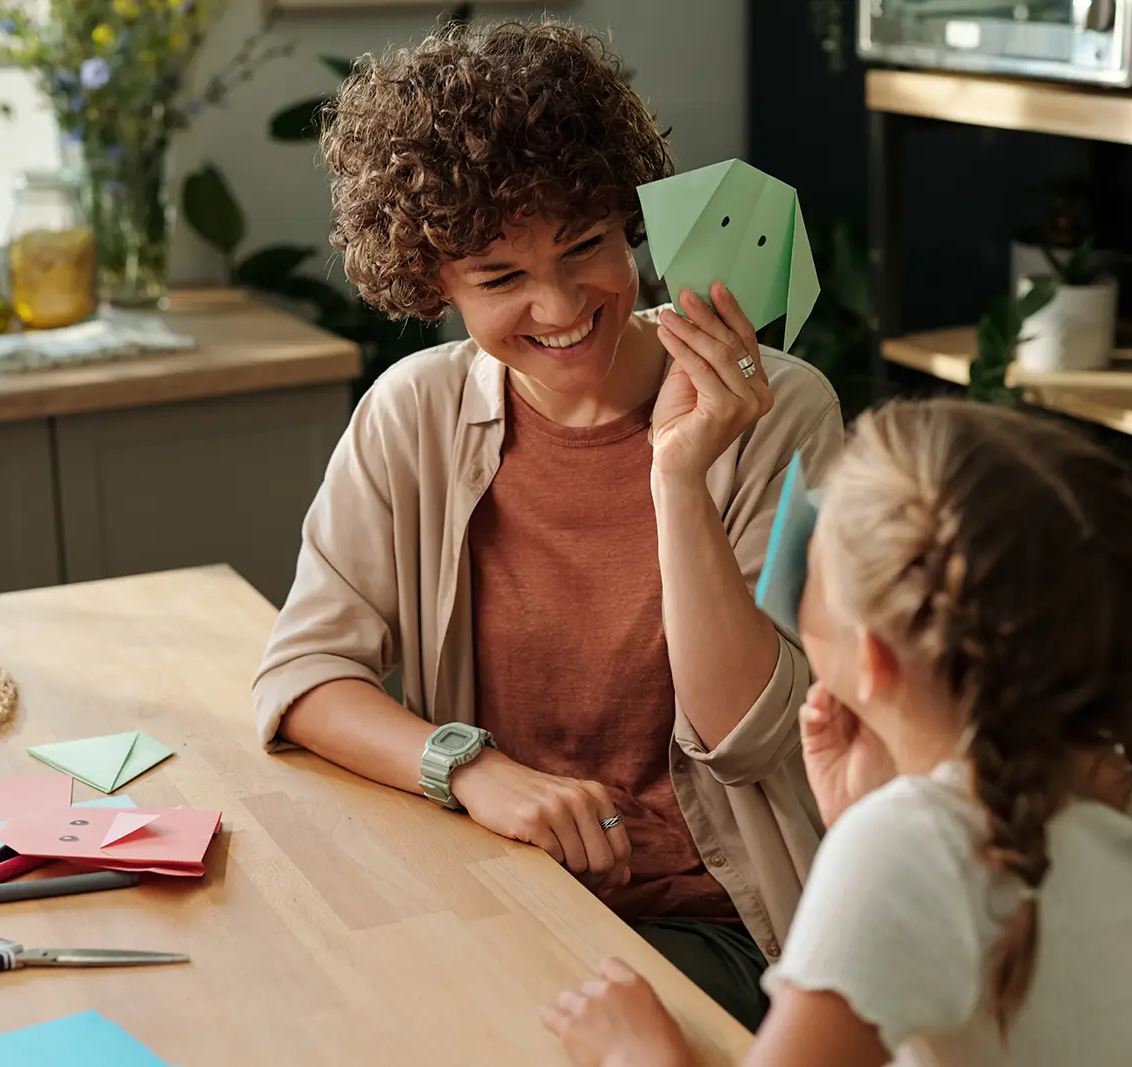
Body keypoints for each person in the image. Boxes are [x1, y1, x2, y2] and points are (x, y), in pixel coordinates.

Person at [251, 19, 843, 1029]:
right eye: (500, 278)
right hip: (500, 883)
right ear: (434, 278)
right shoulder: (413, 413)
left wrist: (677, 476)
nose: (562, 303)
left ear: (629, 223)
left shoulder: (777, 409)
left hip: (717, 920)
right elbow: (303, 677)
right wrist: (470, 765)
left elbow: (751, 736)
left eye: (586, 246)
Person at [542, 398, 1132, 1067]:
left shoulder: (912, 844)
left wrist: (641, 1054)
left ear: (870, 657)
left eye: (811, 559)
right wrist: (864, 821)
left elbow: (929, 880)